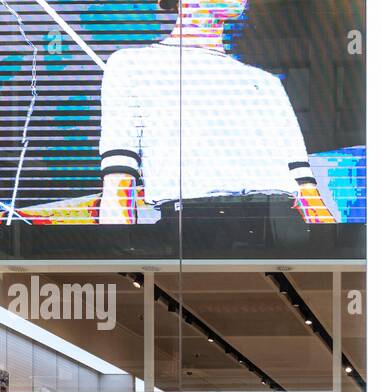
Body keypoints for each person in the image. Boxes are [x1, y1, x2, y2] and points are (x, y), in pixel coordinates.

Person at [98, 0, 336, 229]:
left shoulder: (266, 84)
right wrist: (116, 256)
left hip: (281, 232)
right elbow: (119, 180)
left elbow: (307, 191)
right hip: (196, 232)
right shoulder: (132, 65)